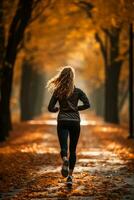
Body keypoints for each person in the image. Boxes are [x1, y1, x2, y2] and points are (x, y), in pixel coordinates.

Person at [46, 66, 90, 187]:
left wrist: (57, 109)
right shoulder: (78, 91)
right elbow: (87, 104)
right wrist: (76, 108)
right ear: (72, 77)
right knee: (73, 150)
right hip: (75, 122)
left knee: (64, 147)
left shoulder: (58, 91)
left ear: (61, 77)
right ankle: (70, 177)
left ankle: (65, 158)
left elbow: (50, 107)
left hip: (63, 121)